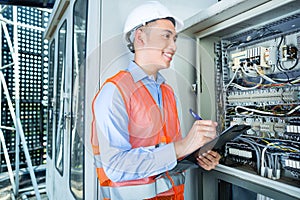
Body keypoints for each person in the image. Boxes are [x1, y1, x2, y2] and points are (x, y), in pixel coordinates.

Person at [91, 1, 221, 199]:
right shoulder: (114, 92)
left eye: (175, 39)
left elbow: (165, 152)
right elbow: (116, 167)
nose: (173, 46)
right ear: (140, 37)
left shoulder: (166, 92)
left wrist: (196, 156)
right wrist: (183, 146)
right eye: (166, 36)